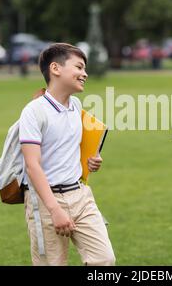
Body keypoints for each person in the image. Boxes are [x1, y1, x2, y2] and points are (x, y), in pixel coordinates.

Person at [19, 43, 115, 266]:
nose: (85, 74)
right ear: (55, 68)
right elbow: (32, 166)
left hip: (80, 195)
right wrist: (55, 209)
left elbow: (70, 148)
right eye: (79, 67)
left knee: (104, 259)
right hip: (44, 201)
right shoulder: (33, 112)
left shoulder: (76, 106)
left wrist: (92, 160)